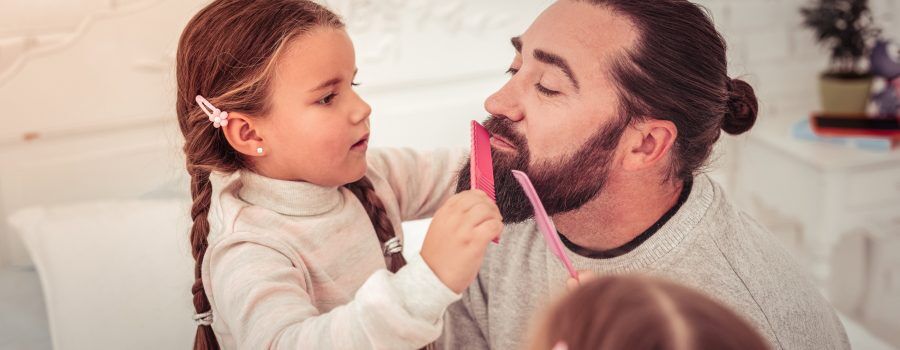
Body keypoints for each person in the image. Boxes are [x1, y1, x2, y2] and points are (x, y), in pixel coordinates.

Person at [442, 1, 849, 349]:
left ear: (645, 145)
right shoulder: (505, 212)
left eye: (548, 86)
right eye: (515, 69)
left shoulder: (748, 319)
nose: (496, 102)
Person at [175, 1, 502, 348]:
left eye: (353, 84)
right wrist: (429, 281)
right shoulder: (249, 250)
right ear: (250, 134)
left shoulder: (372, 177)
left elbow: (466, 171)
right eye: (328, 97)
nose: (363, 108)